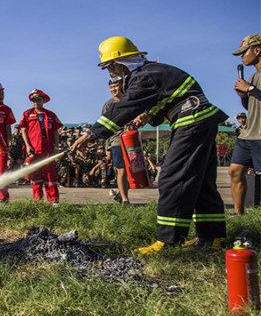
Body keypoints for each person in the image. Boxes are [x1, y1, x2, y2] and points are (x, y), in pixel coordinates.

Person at [71, 36, 228, 254]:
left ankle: (169, 241)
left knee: (172, 178)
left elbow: (123, 107)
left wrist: (92, 134)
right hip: (201, 120)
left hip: (191, 121)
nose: (112, 72)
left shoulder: (143, 76)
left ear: (120, 63)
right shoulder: (151, 73)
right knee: (200, 181)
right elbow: (162, 102)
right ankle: (212, 237)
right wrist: (147, 115)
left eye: (111, 67)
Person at [229, 33, 261, 215]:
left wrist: (249, 89)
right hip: (248, 134)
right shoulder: (254, 77)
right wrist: (244, 96)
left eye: (244, 52)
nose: (242, 56)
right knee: (235, 171)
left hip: (260, 135)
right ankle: (238, 213)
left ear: (257, 50)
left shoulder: (254, 82)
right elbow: (252, 106)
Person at [19, 89, 63, 203]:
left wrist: (57, 147)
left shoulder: (51, 115)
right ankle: (37, 201)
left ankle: (54, 201)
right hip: (34, 150)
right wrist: (28, 145)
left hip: (48, 149)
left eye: (38, 99)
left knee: (50, 176)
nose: (36, 102)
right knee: (35, 175)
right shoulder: (27, 114)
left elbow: (55, 132)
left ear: (43, 100)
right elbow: (23, 130)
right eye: (33, 100)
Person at [104, 77, 131, 204]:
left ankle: (121, 195)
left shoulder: (129, 100)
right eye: (111, 87)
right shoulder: (108, 105)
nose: (114, 89)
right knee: (121, 170)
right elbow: (104, 127)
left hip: (132, 140)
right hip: (116, 141)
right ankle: (125, 200)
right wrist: (107, 148)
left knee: (132, 171)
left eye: (116, 86)